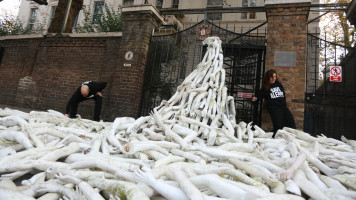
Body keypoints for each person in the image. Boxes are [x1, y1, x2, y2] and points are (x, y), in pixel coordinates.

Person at [252, 69, 296, 137]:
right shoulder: (266, 87)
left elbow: (283, 95)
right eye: (272, 77)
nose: (273, 79)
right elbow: (259, 96)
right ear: (268, 78)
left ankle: (290, 138)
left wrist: (283, 103)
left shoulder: (278, 84)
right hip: (274, 108)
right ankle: (274, 139)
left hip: (283, 106)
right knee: (278, 125)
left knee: (291, 122)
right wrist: (256, 99)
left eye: (275, 77)